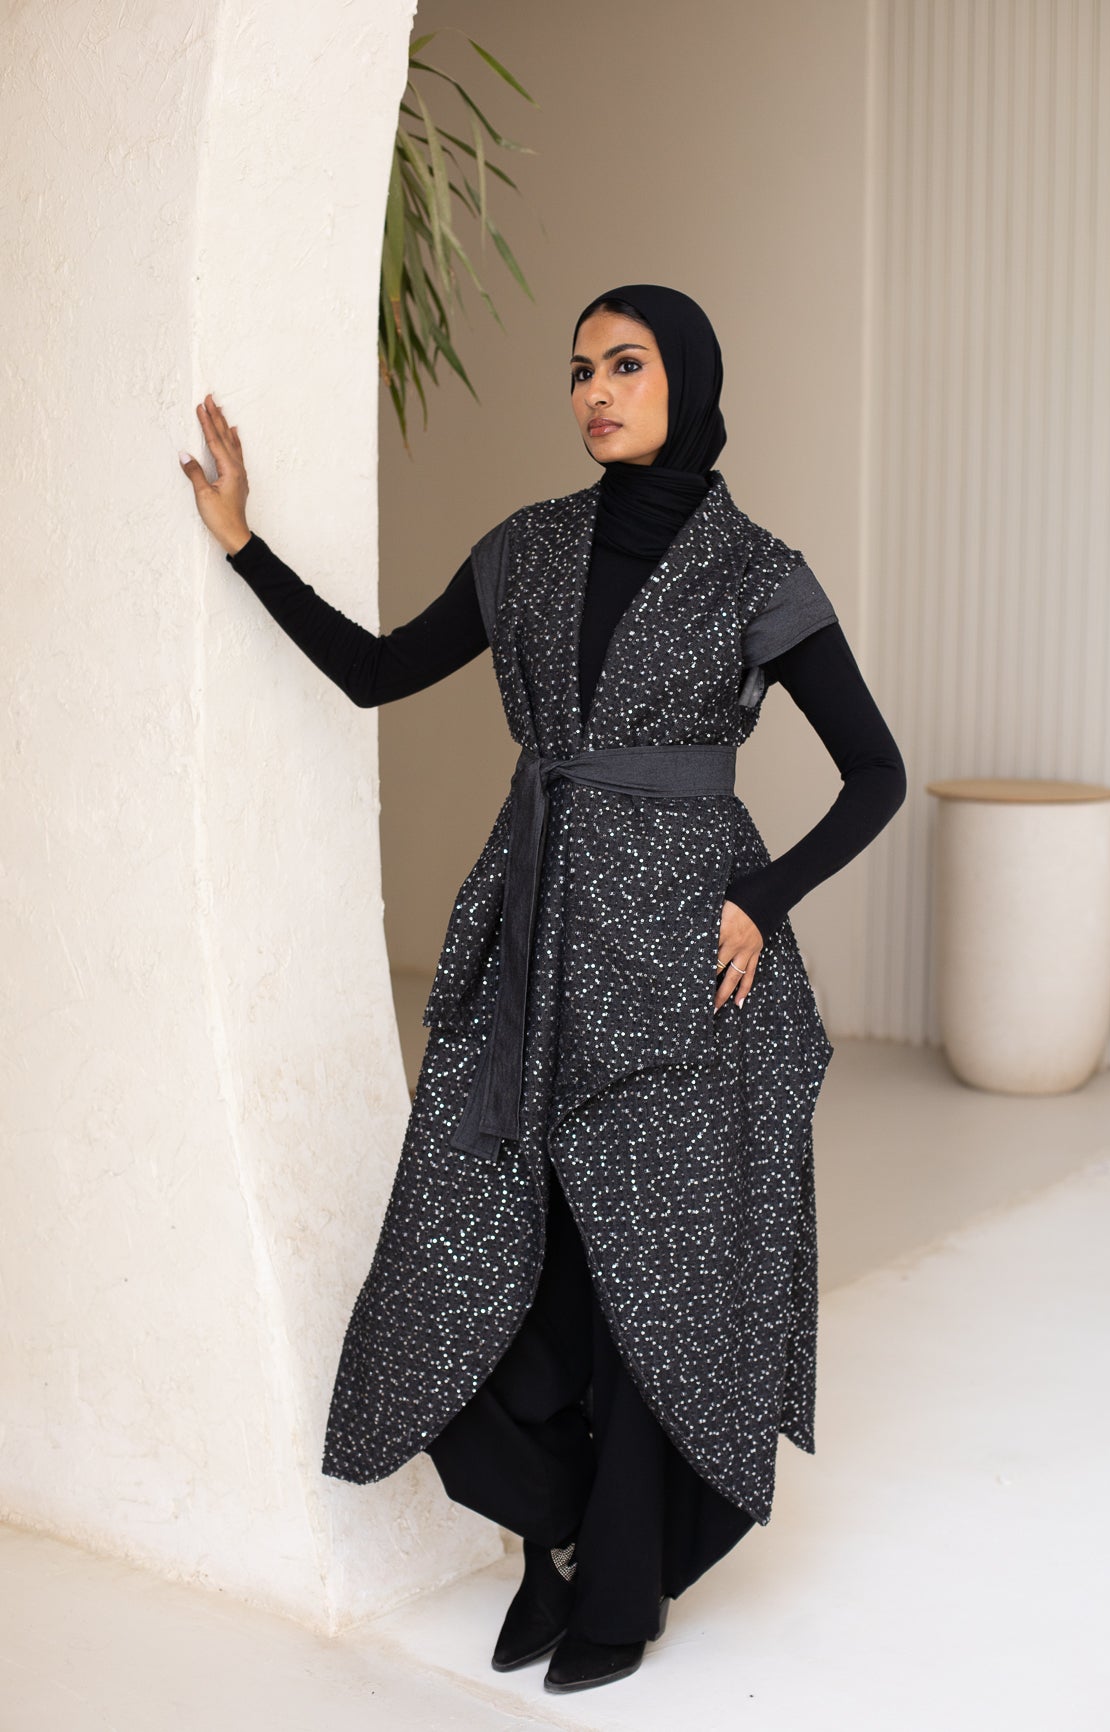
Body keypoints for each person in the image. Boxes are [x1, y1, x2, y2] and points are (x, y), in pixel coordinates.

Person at [180, 283, 906, 1694]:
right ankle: (557, 1538)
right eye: (579, 370)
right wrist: (243, 545)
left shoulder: (758, 572)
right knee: (485, 1260)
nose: (595, 392)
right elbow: (377, 671)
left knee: (647, 1289)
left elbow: (875, 774)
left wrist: (760, 900)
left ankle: (614, 1592)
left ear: (687, 381)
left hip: (688, 978)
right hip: (535, 953)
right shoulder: (526, 550)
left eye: (625, 365)